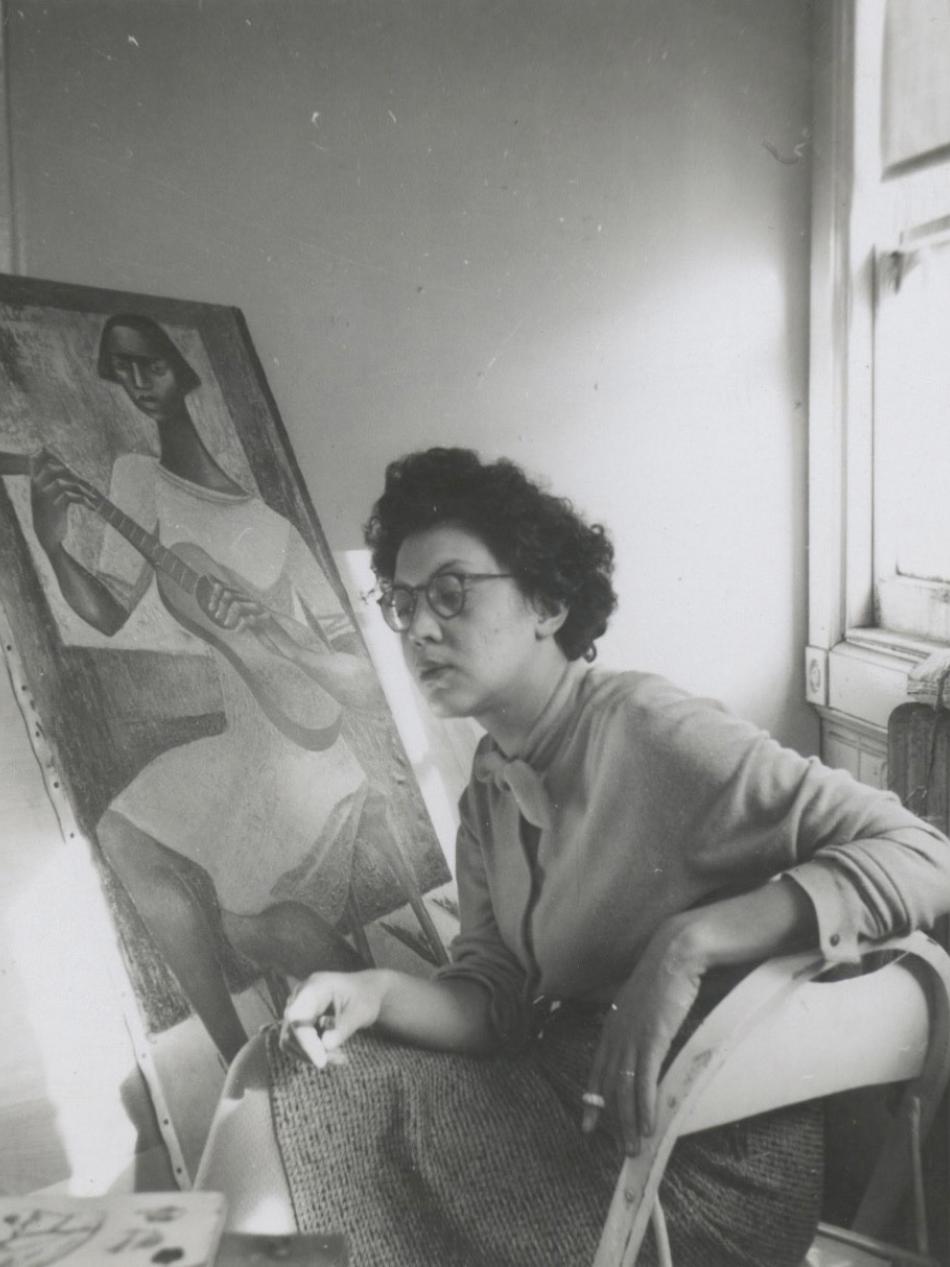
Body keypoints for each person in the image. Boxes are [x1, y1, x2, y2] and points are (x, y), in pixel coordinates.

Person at [257, 446, 950, 1265]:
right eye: (402, 604)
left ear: (547, 600)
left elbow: (923, 852)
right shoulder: (486, 790)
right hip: (583, 1109)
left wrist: (687, 946)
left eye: (450, 591)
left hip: (701, 1156)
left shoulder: (650, 729)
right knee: (297, 1075)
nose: (421, 629)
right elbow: (493, 1001)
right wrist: (371, 989)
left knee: (318, 1124)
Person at [27, 313, 405, 1064]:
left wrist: (278, 631)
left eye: (152, 364)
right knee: (122, 833)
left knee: (248, 923)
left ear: (184, 369)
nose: (137, 382)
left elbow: (359, 681)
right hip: (243, 742)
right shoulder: (137, 480)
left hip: (309, 756)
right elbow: (105, 607)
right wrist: (51, 537)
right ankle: (240, 1056)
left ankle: (391, 1022)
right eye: (121, 369)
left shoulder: (275, 529)